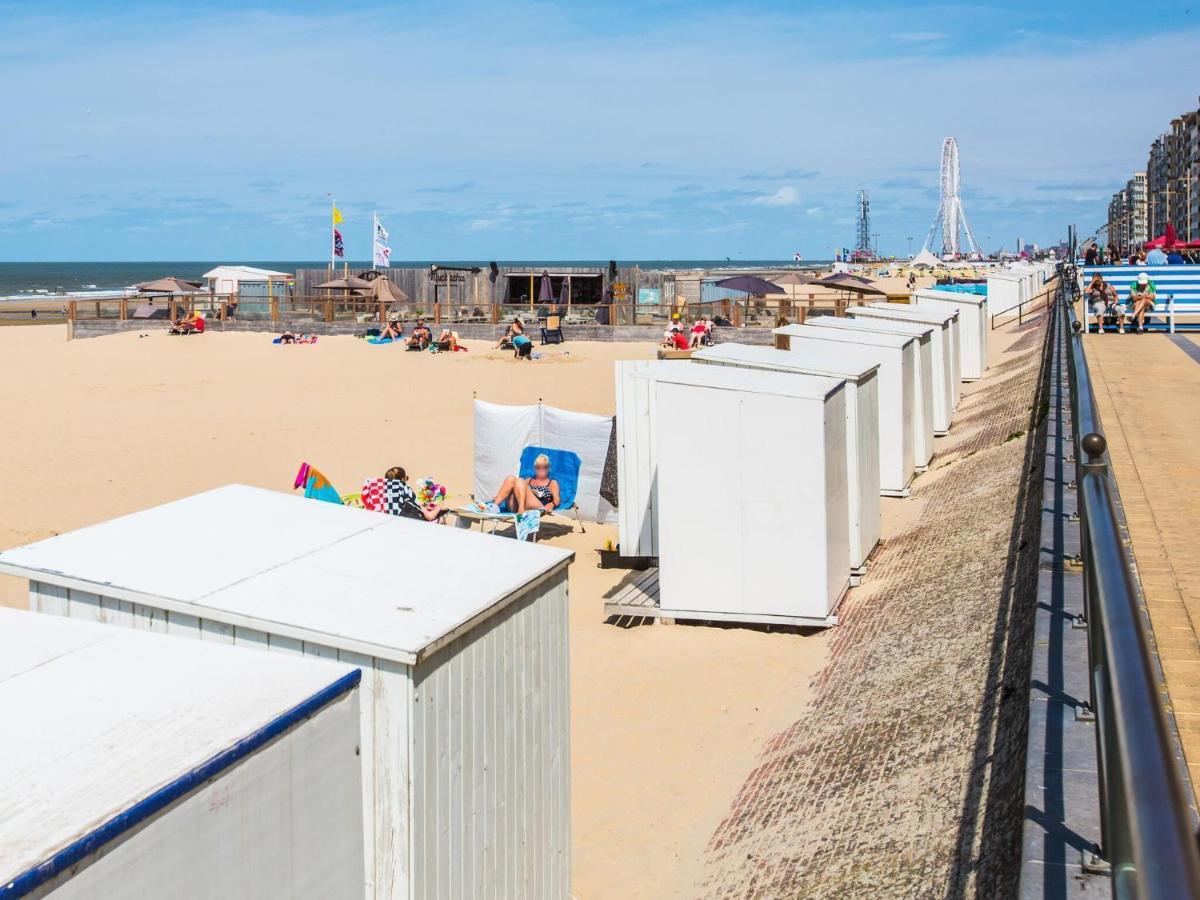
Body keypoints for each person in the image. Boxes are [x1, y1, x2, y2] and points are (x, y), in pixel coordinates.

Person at [488, 454, 560, 514]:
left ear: (549, 468)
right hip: (517, 506)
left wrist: (552, 504)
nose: (542, 469)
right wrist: (499, 496)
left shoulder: (552, 483)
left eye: (545, 467)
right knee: (511, 478)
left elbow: (557, 500)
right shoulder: (529, 480)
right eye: (538, 467)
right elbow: (518, 489)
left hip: (538, 507)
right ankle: (494, 506)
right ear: (535, 468)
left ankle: (521, 510)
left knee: (519, 480)